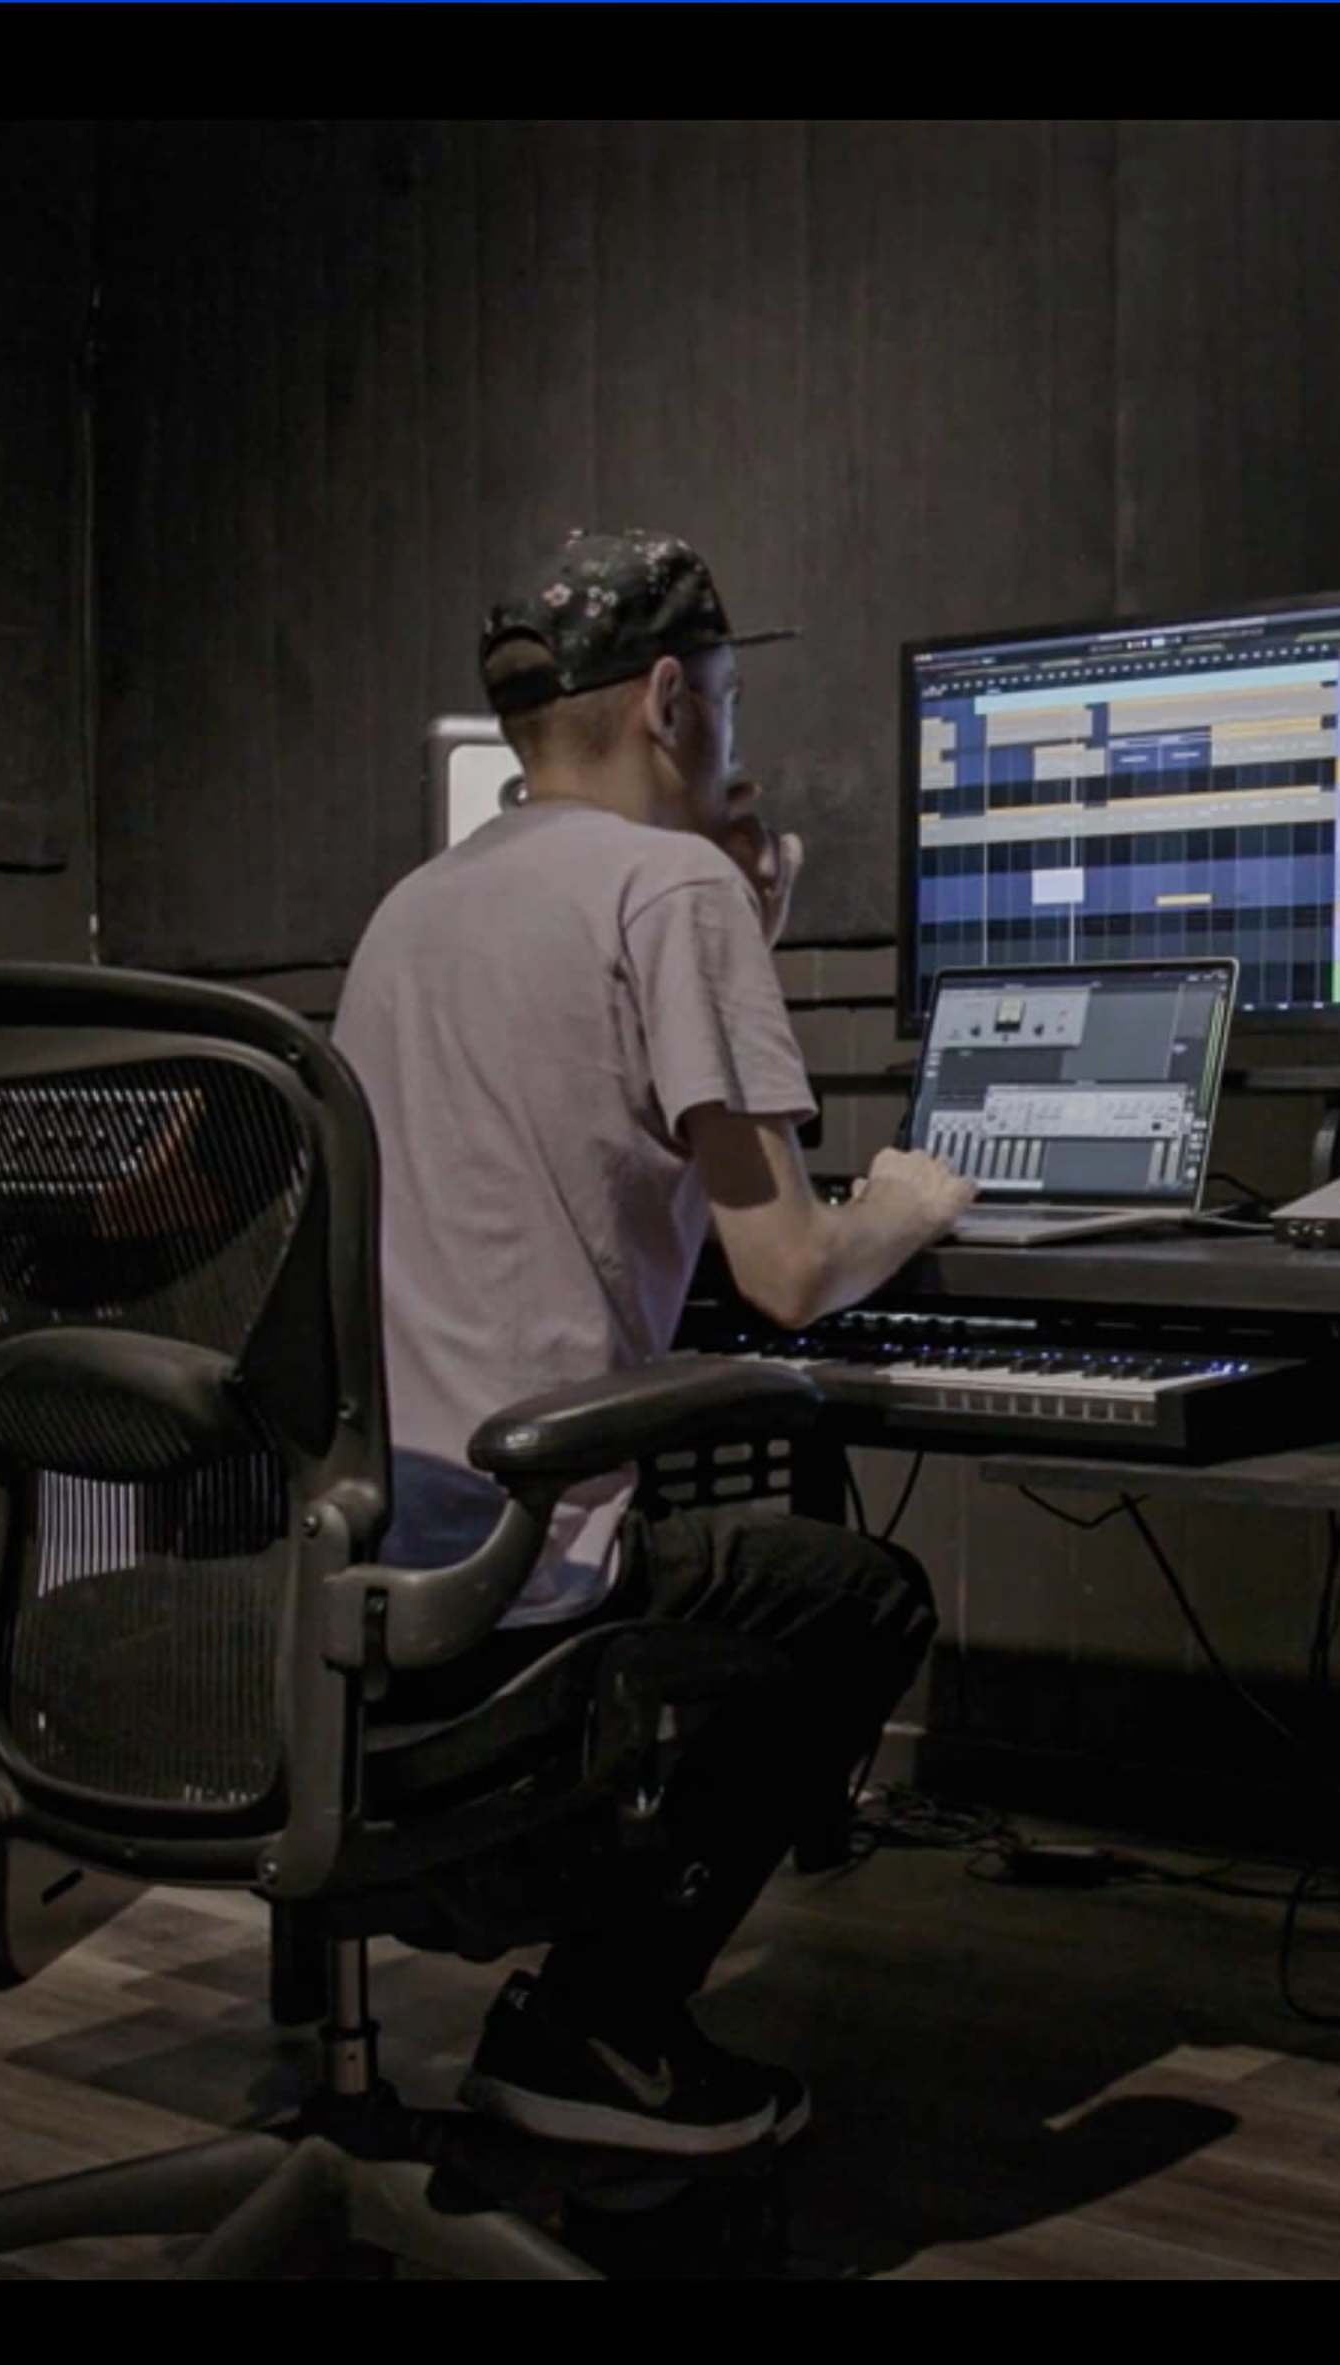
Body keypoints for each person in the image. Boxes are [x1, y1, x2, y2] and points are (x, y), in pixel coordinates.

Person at [332, 528, 976, 2156]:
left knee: (771, 1533)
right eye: (735, 709)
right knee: (864, 1602)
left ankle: (580, 1977)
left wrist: (739, 915)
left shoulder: (415, 905)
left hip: (363, 1549)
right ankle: (601, 2021)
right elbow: (790, 1272)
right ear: (676, 699)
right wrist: (909, 1196)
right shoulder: (671, 886)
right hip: (522, 1560)